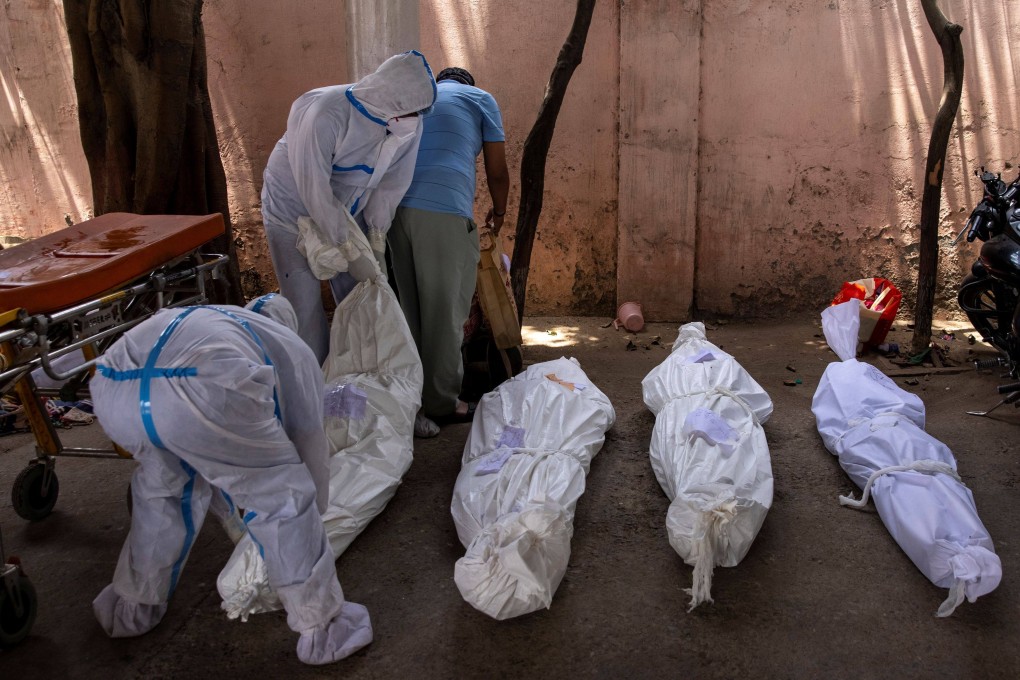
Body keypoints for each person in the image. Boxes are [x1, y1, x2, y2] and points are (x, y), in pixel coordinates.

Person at [90, 296, 372, 666]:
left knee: (163, 490)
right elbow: (307, 437)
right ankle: (322, 627)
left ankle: (132, 606)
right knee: (283, 497)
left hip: (114, 387)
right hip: (204, 386)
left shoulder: (209, 319)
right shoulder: (288, 345)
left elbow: (212, 453)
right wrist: (313, 505)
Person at [261, 50, 437, 364]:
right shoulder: (326, 114)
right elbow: (313, 187)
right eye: (412, 113)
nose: (417, 120)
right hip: (292, 207)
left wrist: (376, 239)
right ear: (391, 104)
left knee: (365, 297)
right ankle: (315, 392)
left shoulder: (408, 123)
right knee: (304, 307)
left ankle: (361, 379)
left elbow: (392, 184)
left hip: (347, 210)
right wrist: (345, 245)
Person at [387, 66, 510, 437]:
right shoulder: (481, 98)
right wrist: (500, 212)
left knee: (411, 310)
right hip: (442, 212)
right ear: (468, 84)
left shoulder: (419, 99)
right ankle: (443, 403)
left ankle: (411, 396)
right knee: (444, 311)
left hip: (393, 211)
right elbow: (498, 170)